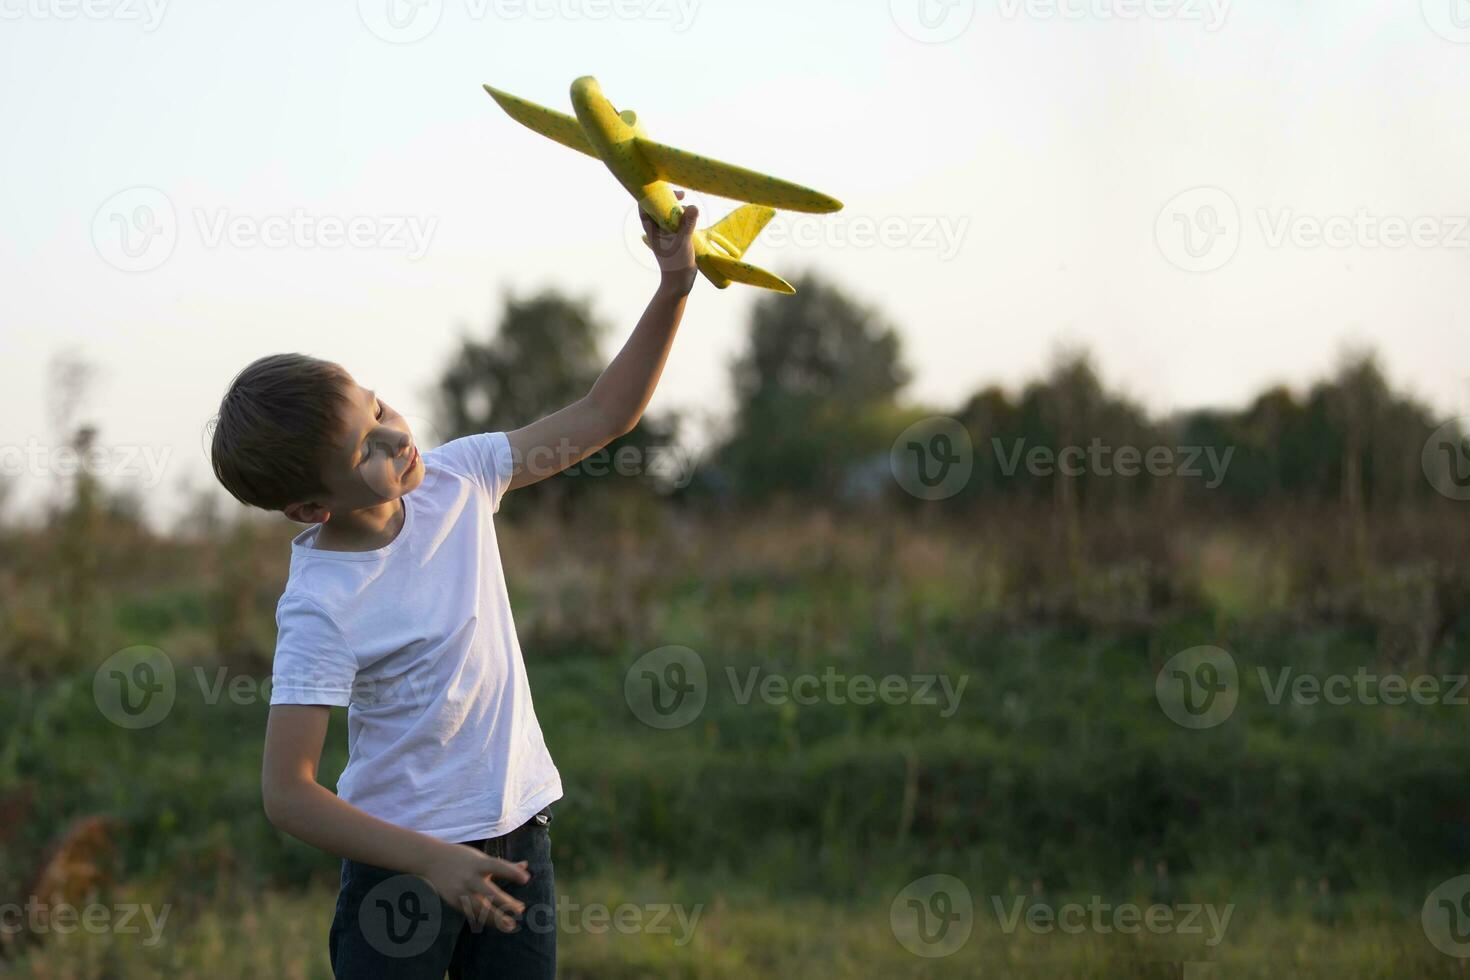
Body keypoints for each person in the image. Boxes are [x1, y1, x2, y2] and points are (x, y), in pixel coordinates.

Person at [207, 199, 700, 978]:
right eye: (366, 444)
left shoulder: (459, 477)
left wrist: (673, 284)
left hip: (517, 837)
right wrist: (432, 862)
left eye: (379, 406)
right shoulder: (321, 604)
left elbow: (605, 412)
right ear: (311, 507)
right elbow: (288, 794)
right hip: (400, 872)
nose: (397, 436)